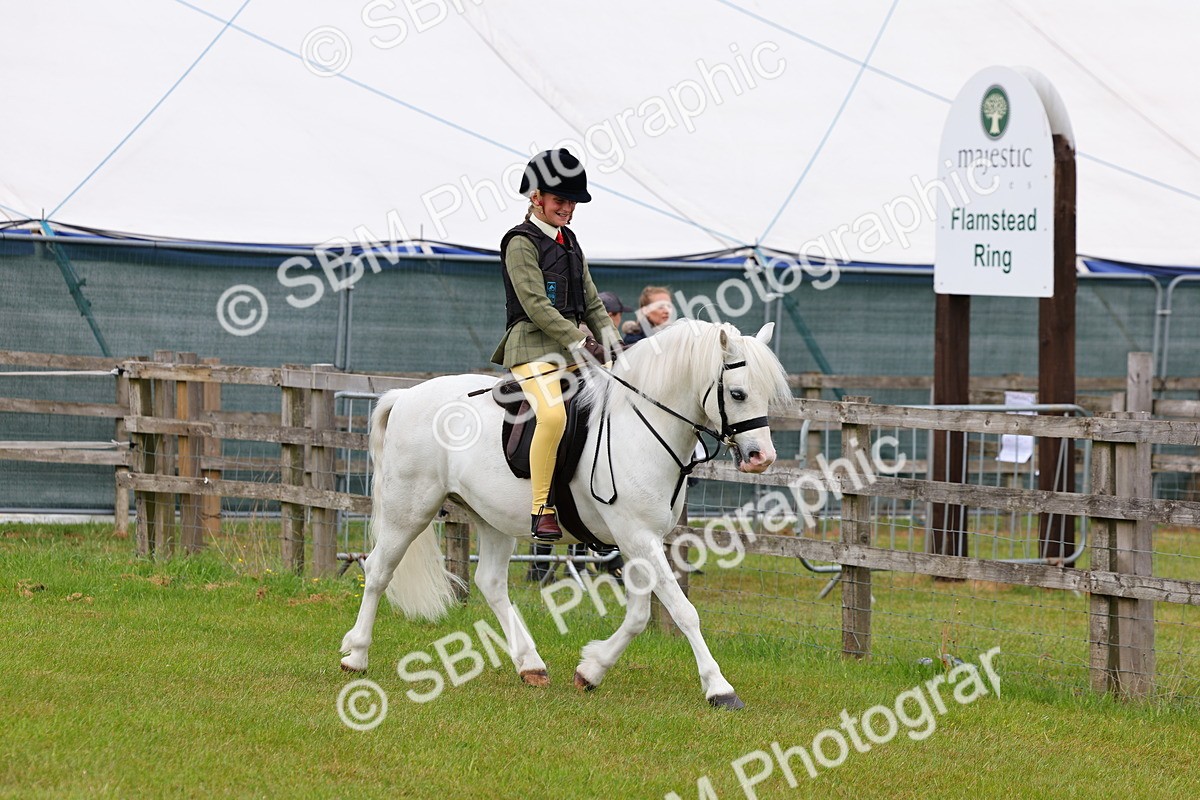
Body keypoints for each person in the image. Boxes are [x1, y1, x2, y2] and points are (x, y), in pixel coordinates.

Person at [492, 149, 620, 541]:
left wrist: (615, 347)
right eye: (561, 200)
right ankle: (541, 508)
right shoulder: (520, 243)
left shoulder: (570, 241)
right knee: (552, 417)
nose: (568, 209)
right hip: (532, 350)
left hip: (571, 352)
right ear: (535, 197)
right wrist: (580, 338)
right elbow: (534, 305)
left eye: (572, 203)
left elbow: (593, 301)